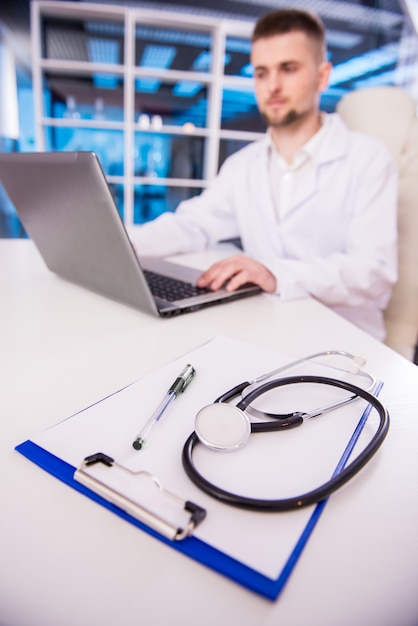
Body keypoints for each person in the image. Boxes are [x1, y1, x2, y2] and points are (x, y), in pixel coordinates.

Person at [128, 8, 398, 340]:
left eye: (288, 68)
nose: (272, 86)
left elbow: (373, 270)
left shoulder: (367, 158)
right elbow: (194, 224)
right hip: (267, 325)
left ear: (322, 75)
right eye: (261, 72)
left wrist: (276, 273)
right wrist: (129, 243)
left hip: (345, 339)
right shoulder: (244, 164)